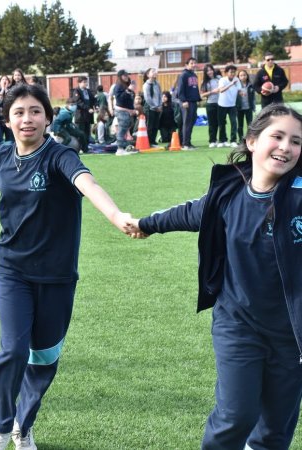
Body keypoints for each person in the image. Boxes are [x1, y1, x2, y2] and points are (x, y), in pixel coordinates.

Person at [0, 84, 135, 450]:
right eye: (18, 112)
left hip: (57, 276)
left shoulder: (60, 156)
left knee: (44, 358)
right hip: (12, 270)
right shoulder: (3, 155)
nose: (27, 119)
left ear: (48, 118)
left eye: (35, 111)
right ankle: (0, 428)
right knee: (13, 351)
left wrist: (115, 215)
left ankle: (23, 424)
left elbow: (87, 183)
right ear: (7, 120)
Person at [126, 103, 302, 450]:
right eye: (277, 136)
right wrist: (145, 224)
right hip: (239, 324)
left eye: (296, 142)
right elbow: (190, 213)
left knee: (274, 432)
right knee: (236, 416)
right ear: (252, 141)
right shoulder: (228, 193)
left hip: (292, 335)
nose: (286, 147)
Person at [176, 57, 202, 150]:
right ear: (186, 65)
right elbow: (180, 90)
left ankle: (188, 142)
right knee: (187, 123)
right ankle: (185, 144)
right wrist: (183, 101)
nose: (194, 65)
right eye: (191, 63)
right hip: (186, 102)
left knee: (191, 123)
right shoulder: (183, 75)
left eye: (195, 63)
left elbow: (195, 89)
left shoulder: (194, 75)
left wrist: (198, 99)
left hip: (193, 102)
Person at [113, 70, 139, 156]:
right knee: (122, 129)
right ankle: (120, 149)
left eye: (127, 75)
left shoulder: (126, 85)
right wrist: (128, 90)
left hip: (126, 111)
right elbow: (120, 99)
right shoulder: (118, 86)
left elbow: (129, 99)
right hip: (121, 111)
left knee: (124, 130)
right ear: (120, 77)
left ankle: (123, 147)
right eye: (124, 75)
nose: (127, 77)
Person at [217, 64, 241, 148]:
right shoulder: (222, 80)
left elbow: (239, 90)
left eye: (234, 72)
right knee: (222, 123)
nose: (233, 74)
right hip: (222, 105)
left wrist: (242, 93)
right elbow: (221, 90)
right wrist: (231, 84)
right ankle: (222, 140)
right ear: (227, 73)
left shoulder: (237, 80)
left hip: (232, 105)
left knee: (234, 123)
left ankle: (233, 140)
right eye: (231, 72)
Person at [200, 64, 221, 148]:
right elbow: (202, 95)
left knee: (220, 123)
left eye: (210, 70)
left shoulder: (219, 78)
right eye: (207, 71)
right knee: (212, 123)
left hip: (221, 103)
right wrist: (212, 92)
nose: (209, 72)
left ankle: (222, 140)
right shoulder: (204, 82)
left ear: (213, 70)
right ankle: (212, 140)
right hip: (210, 104)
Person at [71, 76, 95, 150]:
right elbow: (78, 102)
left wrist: (96, 106)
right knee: (80, 133)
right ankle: (79, 148)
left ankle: (86, 148)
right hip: (80, 116)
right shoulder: (76, 91)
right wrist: (88, 108)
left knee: (87, 132)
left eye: (86, 82)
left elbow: (93, 99)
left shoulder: (88, 91)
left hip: (88, 116)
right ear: (79, 83)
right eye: (84, 82)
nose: (86, 84)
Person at [142, 68, 162, 147]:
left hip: (158, 107)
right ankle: (149, 141)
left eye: (155, 71)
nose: (155, 73)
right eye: (152, 72)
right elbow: (148, 98)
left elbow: (160, 95)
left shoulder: (157, 83)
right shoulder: (146, 85)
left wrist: (160, 105)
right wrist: (155, 106)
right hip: (150, 108)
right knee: (150, 126)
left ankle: (153, 141)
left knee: (156, 125)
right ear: (148, 75)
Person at [237, 69, 256, 143]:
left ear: (247, 76)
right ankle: (241, 139)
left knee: (250, 124)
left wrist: (253, 107)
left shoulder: (250, 85)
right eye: (241, 75)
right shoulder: (236, 86)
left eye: (244, 75)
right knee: (240, 125)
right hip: (239, 108)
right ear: (238, 77)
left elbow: (253, 97)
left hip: (248, 108)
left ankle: (249, 139)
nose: (243, 77)